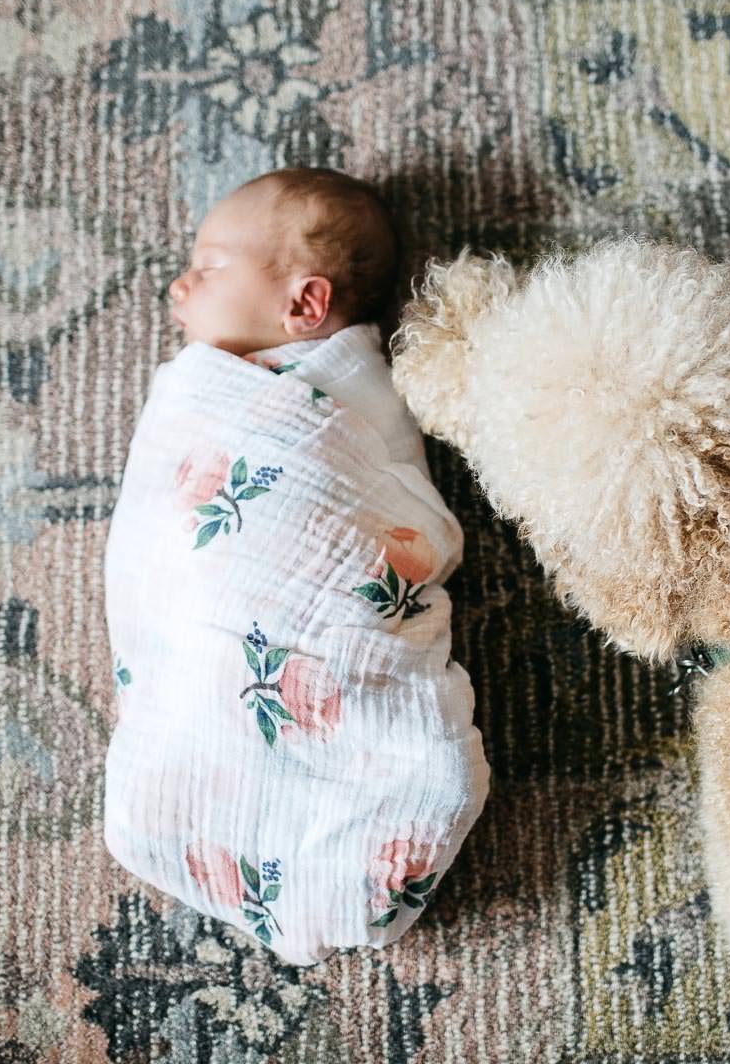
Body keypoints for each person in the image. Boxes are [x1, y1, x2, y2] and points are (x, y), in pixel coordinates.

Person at [102, 168, 489, 966]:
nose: (179, 285)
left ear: (305, 305)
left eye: (208, 268)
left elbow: (364, 518)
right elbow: (160, 549)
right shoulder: (207, 397)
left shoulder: (352, 405)